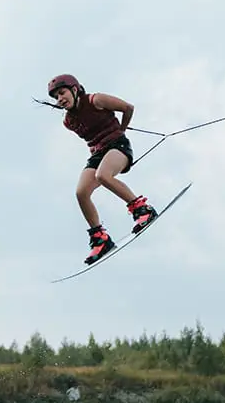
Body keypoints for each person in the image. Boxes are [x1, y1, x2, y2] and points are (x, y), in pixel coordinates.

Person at [47, 74, 158, 264]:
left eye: (62, 93)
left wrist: (122, 128)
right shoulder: (68, 122)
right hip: (98, 154)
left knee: (103, 175)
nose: (60, 99)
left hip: (118, 147)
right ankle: (101, 239)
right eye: (56, 97)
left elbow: (128, 108)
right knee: (81, 193)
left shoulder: (95, 100)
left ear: (75, 90)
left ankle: (143, 210)